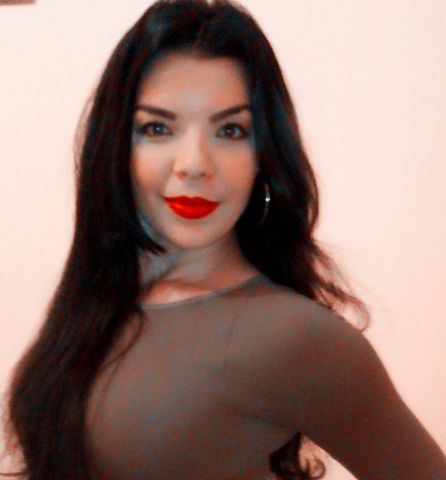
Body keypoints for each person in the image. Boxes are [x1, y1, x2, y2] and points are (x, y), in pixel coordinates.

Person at [1, 0, 446, 479]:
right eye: (158, 128)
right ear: (116, 146)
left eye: (231, 130)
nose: (194, 163)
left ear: (264, 155)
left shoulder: (296, 337)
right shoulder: (97, 298)